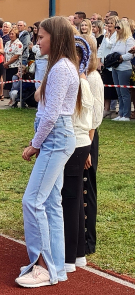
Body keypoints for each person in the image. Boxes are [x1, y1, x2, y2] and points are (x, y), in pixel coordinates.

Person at [17, 16, 80, 288]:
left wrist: (35, 143)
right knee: (52, 203)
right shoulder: (61, 66)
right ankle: (56, 267)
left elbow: (51, 114)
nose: (36, 41)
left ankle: (42, 266)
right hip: (58, 136)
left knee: (33, 201)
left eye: (41, 37)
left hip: (55, 138)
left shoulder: (61, 69)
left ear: (55, 38)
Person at [61, 37, 95, 274]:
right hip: (81, 143)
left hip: (74, 143)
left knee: (70, 200)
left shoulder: (78, 83)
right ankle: (79, 253)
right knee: (73, 199)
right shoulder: (83, 82)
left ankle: (69, 256)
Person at [83, 37, 105, 257]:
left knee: (87, 187)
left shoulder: (94, 78)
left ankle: (88, 240)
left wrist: (88, 148)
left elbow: (95, 117)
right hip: (82, 136)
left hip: (88, 137)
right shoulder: (85, 76)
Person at [100, 17, 133, 121]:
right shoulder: (118, 40)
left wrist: (120, 58)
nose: (117, 29)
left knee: (124, 92)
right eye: (116, 27)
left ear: (124, 28)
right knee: (118, 92)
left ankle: (126, 115)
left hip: (124, 68)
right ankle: (121, 114)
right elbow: (112, 51)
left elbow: (130, 55)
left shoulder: (129, 40)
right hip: (115, 67)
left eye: (118, 27)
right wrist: (113, 58)